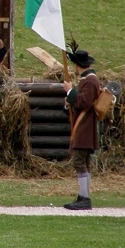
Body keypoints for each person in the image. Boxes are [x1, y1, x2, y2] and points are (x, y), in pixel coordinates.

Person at [63, 49, 100, 211]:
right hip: (83, 125)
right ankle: (83, 196)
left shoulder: (91, 81)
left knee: (79, 161)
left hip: (85, 126)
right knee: (83, 162)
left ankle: (85, 198)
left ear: (78, 66)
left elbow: (84, 101)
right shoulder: (88, 80)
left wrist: (70, 91)